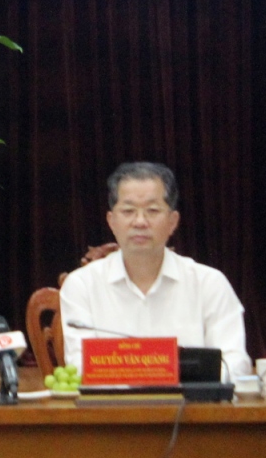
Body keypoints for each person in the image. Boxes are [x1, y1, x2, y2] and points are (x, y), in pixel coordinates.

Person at [60, 161, 252, 381]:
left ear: (173, 222)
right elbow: (80, 366)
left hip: (192, 411)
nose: (140, 222)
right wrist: (158, 370)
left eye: (152, 210)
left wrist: (156, 372)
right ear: (111, 221)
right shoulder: (82, 285)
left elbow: (235, 364)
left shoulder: (209, 283)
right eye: (128, 210)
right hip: (112, 413)